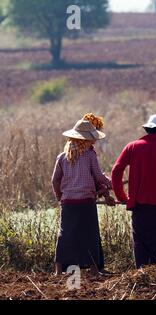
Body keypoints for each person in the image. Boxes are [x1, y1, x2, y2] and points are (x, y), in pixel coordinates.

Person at [111, 114, 156, 268]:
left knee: (141, 243)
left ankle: (141, 274)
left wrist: (121, 197)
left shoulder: (133, 147)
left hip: (139, 205)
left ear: (148, 129)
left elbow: (116, 171)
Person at [52, 114, 115, 277]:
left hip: (68, 202)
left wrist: (60, 197)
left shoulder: (62, 157)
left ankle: (58, 270)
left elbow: (55, 180)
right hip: (86, 201)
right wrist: (111, 183)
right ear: (85, 140)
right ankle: (94, 270)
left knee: (65, 234)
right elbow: (98, 176)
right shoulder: (89, 155)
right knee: (90, 234)